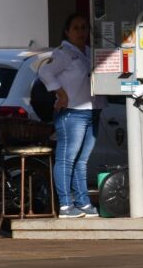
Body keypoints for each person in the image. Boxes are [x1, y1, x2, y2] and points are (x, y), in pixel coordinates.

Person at [38, 13, 105, 218]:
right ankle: (66, 204)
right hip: (72, 113)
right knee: (66, 159)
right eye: (76, 28)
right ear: (67, 31)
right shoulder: (63, 53)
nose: (81, 32)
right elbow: (45, 72)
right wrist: (61, 94)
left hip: (92, 110)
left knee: (82, 160)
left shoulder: (89, 52)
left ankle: (83, 202)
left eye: (84, 27)